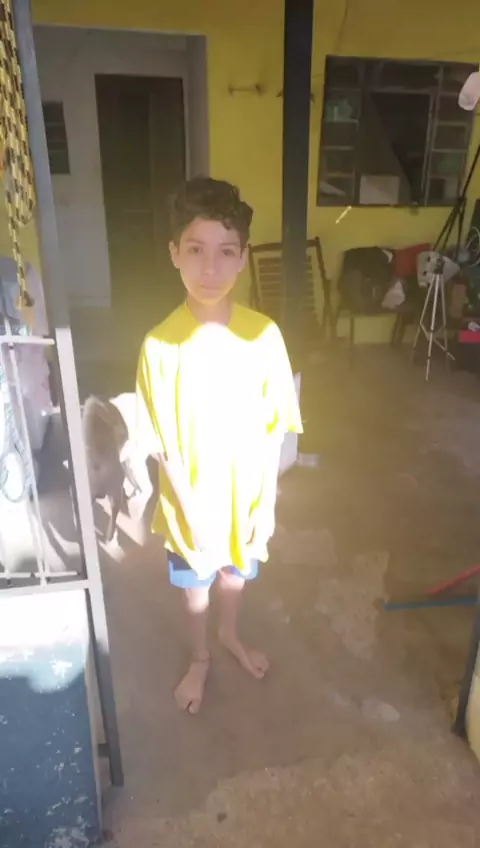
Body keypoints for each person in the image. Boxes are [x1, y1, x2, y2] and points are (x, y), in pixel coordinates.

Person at [136, 177, 302, 714]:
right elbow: (163, 447)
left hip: (247, 500)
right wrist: (196, 521)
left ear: (243, 258)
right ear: (174, 254)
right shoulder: (160, 345)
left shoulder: (264, 336)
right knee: (196, 590)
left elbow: (275, 429)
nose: (210, 269)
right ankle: (200, 656)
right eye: (196, 250)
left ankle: (230, 634)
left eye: (226, 252)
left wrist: (267, 504)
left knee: (235, 575)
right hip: (190, 508)